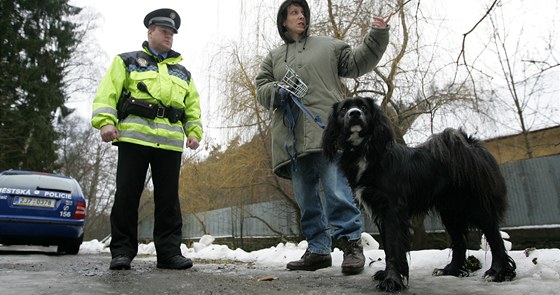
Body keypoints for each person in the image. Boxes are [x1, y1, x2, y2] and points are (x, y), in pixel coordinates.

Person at [255, 0, 389, 274]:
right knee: (306, 200)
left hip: (327, 134)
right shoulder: (274, 57)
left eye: (303, 12)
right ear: (283, 21)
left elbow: (356, 62)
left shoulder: (328, 46)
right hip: (292, 141)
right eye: (294, 12)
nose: (301, 16)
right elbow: (261, 88)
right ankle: (317, 250)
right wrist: (276, 91)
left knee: (338, 192)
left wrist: (377, 34)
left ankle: (352, 245)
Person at [91, 8, 203, 270]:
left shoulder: (182, 72)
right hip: (134, 140)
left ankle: (168, 253)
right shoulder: (126, 61)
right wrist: (106, 122)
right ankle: (121, 252)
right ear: (150, 32)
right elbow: (107, 93)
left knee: (168, 200)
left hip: (169, 144)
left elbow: (192, 107)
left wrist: (194, 132)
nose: (169, 36)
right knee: (127, 195)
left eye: (172, 33)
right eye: (164, 31)